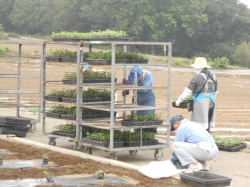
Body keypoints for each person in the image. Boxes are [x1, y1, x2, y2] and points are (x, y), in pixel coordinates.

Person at [174, 57, 218, 132]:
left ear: (199, 67)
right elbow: (216, 92)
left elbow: (188, 91)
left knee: (199, 127)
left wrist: (178, 101)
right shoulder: (214, 76)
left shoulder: (197, 77)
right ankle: (207, 141)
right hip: (212, 103)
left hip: (200, 104)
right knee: (207, 126)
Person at [123, 66, 156, 133]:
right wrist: (126, 90)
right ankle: (137, 133)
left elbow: (144, 89)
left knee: (148, 118)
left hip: (148, 99)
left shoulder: (148, 75)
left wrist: (133, 85)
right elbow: (129, 86)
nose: (135, 80)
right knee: (136, 118)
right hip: (136, 98)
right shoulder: (131, 75)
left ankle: (150, 134)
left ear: (141, 73)